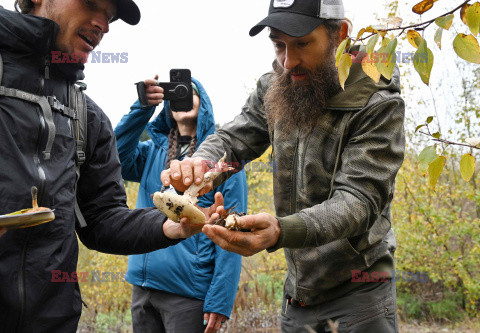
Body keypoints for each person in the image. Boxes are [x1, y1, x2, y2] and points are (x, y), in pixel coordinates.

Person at [161, 0, 406, 332]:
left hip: (360, 293)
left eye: (302, 43)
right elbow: (234, 143)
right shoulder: (276, 85)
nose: (288, 61)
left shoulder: (378, 103)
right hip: (298, 295)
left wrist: (280, 230)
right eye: (279, 44)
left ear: (341, 35)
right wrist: (202, 165)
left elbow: (359, 201)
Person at [0, 1, 222, 332]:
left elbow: (102, 218)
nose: (103, 24)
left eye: (112, 16)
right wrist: (142, 108)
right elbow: (129, 151)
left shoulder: (84, 116)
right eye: (92, 3)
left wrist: (166, 226)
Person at [114, 77, 247, 333]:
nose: (182, 98)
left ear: (204, 103)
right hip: (143, 286)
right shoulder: (151, 152)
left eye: (189, 92)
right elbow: (115, 155)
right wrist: (142, 107)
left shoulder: (224, 161)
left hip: (188, 293)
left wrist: (220, 300)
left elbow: (233, 227)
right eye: (174, 94)